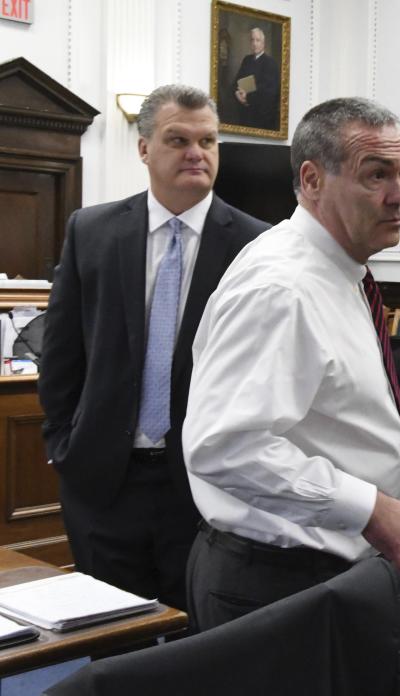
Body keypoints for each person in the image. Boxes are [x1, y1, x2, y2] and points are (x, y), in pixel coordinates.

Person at [182, 97, 400, 632]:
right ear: (312, 179)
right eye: (377, 175)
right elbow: (223, 443)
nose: (399, 196)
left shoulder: (339, 273)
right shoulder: (282, 286)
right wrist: (367, 507)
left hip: (326, 573)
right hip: (277, 583)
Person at [38, 84, 267, 611]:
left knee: (197, 649)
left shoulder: (255, 245)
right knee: (112, 642)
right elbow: (62, 353)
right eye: (178, 139)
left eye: (208, 140)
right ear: (144, 148)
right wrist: (63, 444)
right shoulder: (92, 230)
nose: (196, 152)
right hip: (103, 483)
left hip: (206, 487)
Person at [233, 27, 280, 130]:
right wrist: (237, 93)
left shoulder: (270, 63)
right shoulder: (246, 60)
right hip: (244, 114)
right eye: (252, 40)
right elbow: (236, 81)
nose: (254, 43)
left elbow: (269, 92)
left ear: (263, 43)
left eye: (258, 40)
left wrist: (247, 98)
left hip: (260, 117)